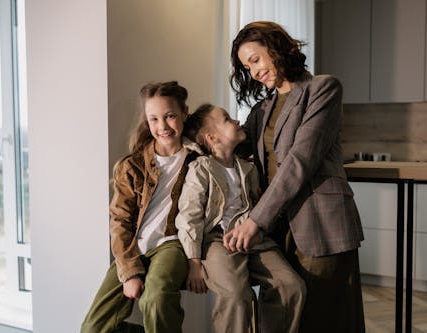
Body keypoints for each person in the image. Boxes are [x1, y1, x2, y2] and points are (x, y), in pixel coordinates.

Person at [223, 21, 366, 332]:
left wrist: (255, 221)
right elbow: (230, 148)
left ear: (275, 47)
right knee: (287, 318)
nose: (254, 72)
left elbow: (300, 160)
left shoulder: (323, 89)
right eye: (247, 68)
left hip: (321, 223)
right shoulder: (262, 109)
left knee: (326, 318)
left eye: (256, 59)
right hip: (279, 228)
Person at [81, 81, 203, 333]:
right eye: (154, 119)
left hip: (171, 243)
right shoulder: (131, 166)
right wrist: (130, 272)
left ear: (184, 113)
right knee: (93, 328)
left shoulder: (198, 160)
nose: (162, 126)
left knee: (155, 300)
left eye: (169, 116)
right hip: (134, 245)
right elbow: (120, 222)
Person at [176, 103, 306, 333]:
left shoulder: (249, 169)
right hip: (217, 241)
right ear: (212, 138)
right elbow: (190, 216)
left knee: (291, 285)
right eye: (227, 119)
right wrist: (193, 262)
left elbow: (259, 209)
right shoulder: (201, 169)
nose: (236, 121)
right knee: (236, 295)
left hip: (253, 239)